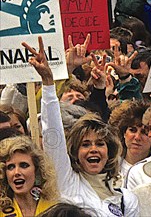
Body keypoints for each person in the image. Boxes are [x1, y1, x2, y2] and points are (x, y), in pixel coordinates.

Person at [27, 36, 139, 216]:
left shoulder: (127, 200)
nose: (93, 149)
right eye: (85, 144)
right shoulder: (67, 182)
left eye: (100, 144)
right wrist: (48, 83)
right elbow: (53, 136)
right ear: (75, 153)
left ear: (109, 150)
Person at [0, 136, 58, 216]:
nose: (16, 172)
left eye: (24, 165)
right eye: (11, 167)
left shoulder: (54, 209)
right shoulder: (2, 210)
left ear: (37, 170)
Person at [108, 100, 151, 180]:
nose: (137, 137)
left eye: (144, 132)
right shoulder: (109, 164)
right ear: (124, 133)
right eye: (132, 130)